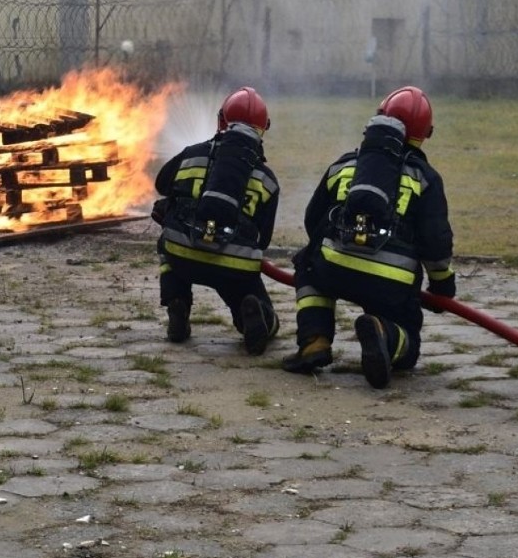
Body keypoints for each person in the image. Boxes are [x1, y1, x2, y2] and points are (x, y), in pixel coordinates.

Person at [282, 85, 455, 388]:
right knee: (409, 340)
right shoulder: (426, 178)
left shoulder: (346, 164)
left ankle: (315, 341)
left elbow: (313, 220)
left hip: (333, 268)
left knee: (307, 263)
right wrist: (442, 284)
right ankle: (384, 333)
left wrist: (334, 253)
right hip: (391, 284)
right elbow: (435, 242)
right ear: (424, 133)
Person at [152, 86, 280, 354]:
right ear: (263, 128)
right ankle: (253, 315)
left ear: (221, 120)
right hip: (234, 265)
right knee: (260, 308)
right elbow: (263, 240)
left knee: (168, 238)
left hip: (182, 253)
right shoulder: (267, 179)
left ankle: (178, 302)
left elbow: (162, 184)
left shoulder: (192, 154)